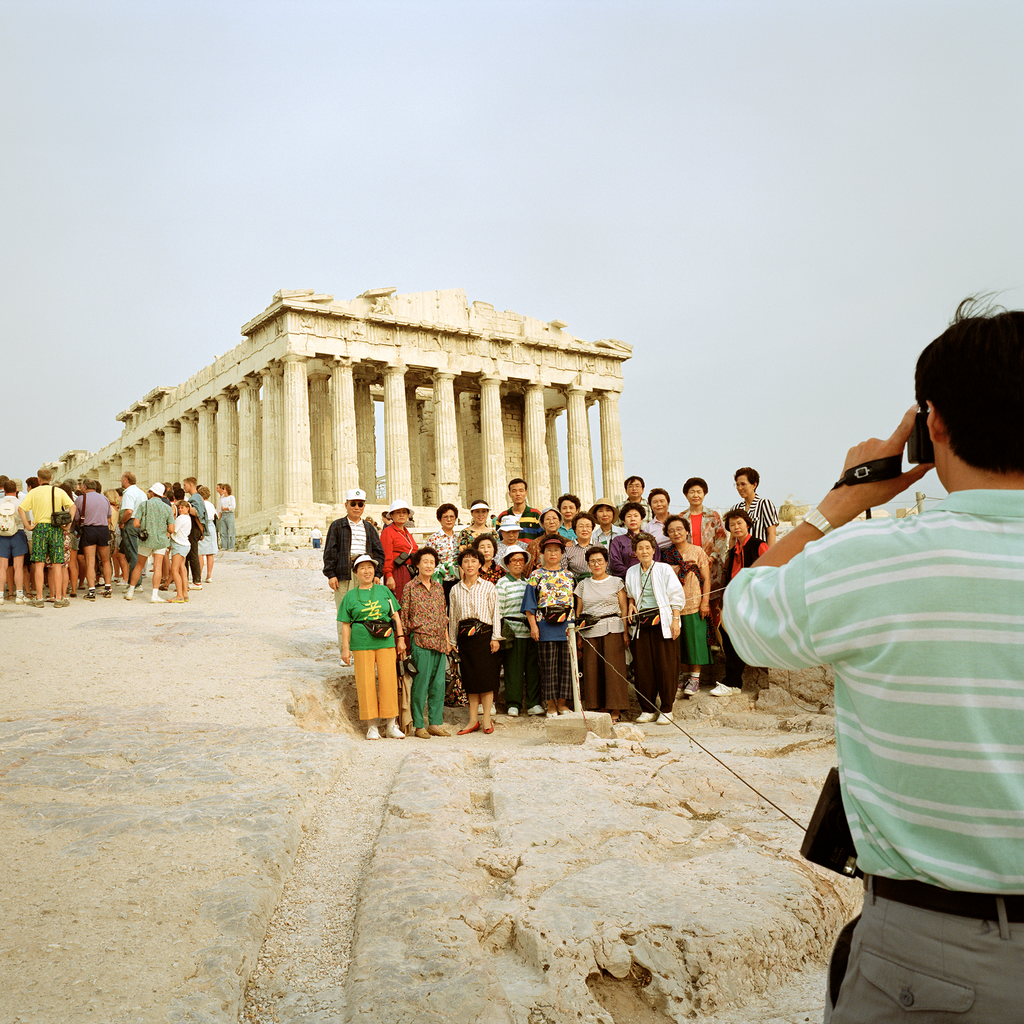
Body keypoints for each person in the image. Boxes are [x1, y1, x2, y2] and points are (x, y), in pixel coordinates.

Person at [722, 300, 1024, 1024]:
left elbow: (745, 612)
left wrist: (840, 502)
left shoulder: (872, 564)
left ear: (932, 425)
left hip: (935, 954)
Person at [338, 553, 407, 741]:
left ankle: (391, 724)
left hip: (385, 640)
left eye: (370, 567)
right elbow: (345, 624)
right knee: (365, 682)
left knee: (388, 681)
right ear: (356, 572)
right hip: (361, 643)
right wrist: (345, 649)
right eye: (362, 568)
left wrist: (400, 639)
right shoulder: (350, 596)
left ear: (374, 570)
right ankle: (371, 726)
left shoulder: (384, 591)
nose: (366, 571)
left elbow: (395, 616)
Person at [625, 532, 684, 723]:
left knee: (666, 665)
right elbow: (630, 594)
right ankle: (647, 709)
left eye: (647, 548)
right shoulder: (631, 571)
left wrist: (675, 621)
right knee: (643, 667)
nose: (644, 551)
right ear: (635, 552)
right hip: (642, 624)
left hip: (664, 623)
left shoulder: (664, 569)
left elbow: (676, 596)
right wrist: (631, 604)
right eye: (640, 548)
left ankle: (667, 708)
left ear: (653, 550)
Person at [323, 488, 385, 656]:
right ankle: (345, 652)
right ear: (346, 505)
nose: (356, 507)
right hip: (344, 572)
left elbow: (379, 552)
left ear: (364, 506)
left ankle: (361, 650)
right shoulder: (337, 525)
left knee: (365, 611)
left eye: (360, 504)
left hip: (365, 573)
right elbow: (330, 550)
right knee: (344, 613)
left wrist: (377, 574)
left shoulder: (369, 528)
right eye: (353, 504)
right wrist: (331, 574)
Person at [448, 547, 501, 735]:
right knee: (470, 679)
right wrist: (452, 641)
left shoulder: (488, 586)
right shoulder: (455, 589)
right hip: (465, 639)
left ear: (480, 563)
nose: (469, 564)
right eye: (466, 561)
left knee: (486, 679)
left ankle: (486, 719)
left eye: (473, 561)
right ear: (460, 565)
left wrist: (495, 638)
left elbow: (496, 614)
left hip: (485, 636)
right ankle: (472, 720)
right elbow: (453, 616)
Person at [400, 547, 452, 739]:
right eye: (425, 562)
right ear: (417, 565)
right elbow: (404, 616)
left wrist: (446, 640)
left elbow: (443, 616)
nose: (429, 565)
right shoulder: (410, 588)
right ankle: (419, 725)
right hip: (420, 640)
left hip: (439, 641)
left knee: (438, 684)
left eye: (432, 562)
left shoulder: (439, 588)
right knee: (420, 684)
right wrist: (403, 642)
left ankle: (435, 724)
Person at [522, 535, 576, 716]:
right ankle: (551, 705)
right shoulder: (536, 575)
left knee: (567, 668)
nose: (553, 553)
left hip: (567, 628)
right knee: (548, 668)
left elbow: (574, 604)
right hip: (544, 626)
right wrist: (533, 626)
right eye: (549, 550)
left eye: (556, 550)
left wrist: (574, 627)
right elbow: (529, 604)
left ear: (562, 553)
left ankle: (562, 704)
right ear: (542, 553)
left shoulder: (569, 576)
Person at [715, 509, 767, 694]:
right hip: (734, 601)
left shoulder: (759, 545)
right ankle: (733, 682)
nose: (736, 527)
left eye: (739, 523)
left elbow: (769, 571)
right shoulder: (732, 551)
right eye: (732, 525)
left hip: (752, 601)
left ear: (747, 524)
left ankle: (732, 682)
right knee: (725, 632)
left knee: (735, 635)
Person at [574, 545, 629, 721]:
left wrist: (626, 633)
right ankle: (598, 708)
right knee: (592, 670)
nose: (596, 564)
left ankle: (616, 709)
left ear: (606, 562)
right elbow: (579, 611)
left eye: (600, 560)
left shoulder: (616, 582)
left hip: (613, 628)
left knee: (613, 670)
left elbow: (623, 608)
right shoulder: (582, 585)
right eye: (592, 561)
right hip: (590, 630)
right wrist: (578, 635)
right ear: (588, 564)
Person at [662, 515, 711, 697]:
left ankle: (695, 678)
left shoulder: (697, 551)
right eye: (671, 530)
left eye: (679, 529)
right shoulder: (666, 555)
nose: (676, 533)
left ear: (687, 531)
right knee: (680, 642)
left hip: (695, 602)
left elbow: (706, 580)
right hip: (674, 606)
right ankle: (684, 676)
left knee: (695, 641)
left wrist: (705, 602)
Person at [18, 468, 75, 608]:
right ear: (50, 478)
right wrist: (68, 524)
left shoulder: (34, 492)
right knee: (57, 564)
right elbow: (72, 507)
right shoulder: (58, 491)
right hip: (56, 528)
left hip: (40, 528)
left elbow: (21, 508)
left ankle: (39, 597)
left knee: (39, 564)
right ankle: (58, 598)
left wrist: (27, 525)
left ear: (38, 479)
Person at [680, 476, 728, 641]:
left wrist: (712, 557)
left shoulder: (713, 515)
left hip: (711, 565)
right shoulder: (681, 517)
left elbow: (722, 538)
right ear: (686, 495)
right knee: (694, 602)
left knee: (712, 602)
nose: (695, 495)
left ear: (704, 494)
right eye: (692, 491)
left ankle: (715, 640)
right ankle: (698, 641)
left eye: (699, 491)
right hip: (690, 567)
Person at [494, 548, 542, 716]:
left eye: (521, 560)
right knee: (513, 670)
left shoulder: (529, 582)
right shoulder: (502, 583)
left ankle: (533, 703)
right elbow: (497, 611)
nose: (518, 563)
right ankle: (513, 703)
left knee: (532, 669)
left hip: (529, 631)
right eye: (514, 560)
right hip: (512, 632)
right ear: (507, 563)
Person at [124, 483, 176, 603]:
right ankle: (154, 594)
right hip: (160, 539)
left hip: (146, 539)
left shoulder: (144, 505)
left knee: (139, 565)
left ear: (152, 493)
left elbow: (135, 524)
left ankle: (131, 591)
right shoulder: (167, 508)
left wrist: (147, 525)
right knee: (157, 566)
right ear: (162, 494)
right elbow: (172, 529)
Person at [74, 479, 113, 600]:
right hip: (103, 529)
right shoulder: (105, 499)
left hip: (89, 529)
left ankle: (91, 591)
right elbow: (109, 518)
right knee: (105, 560)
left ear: (85, 487)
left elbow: (76, 517)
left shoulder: (80, 499)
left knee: (90, 561)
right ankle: (108, 588)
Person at [609, 502, 661, 578]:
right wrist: (634, 575)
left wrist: (646, 574)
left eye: (636, 516)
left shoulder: (650, 539)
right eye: (629, 516)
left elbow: (657, 560)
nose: (632, 519)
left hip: (650, 579)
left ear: (641, 519)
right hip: (627, 580)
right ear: (624, 521)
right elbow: (615, 565)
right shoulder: (618, 541)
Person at [729, 467, 778, 547]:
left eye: (743, 484)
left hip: (759, 555)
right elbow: (732, 538)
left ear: (754, 485)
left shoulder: (764, 504)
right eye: (737, 485)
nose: (740, 488)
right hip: (741, 556)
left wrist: (768, 556)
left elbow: (771, 533)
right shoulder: (736, 508)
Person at [381, 498, 418, 602]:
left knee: (410, 602)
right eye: (398, 512)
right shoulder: (388, 532)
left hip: (410, 571)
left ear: (408, 515)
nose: (401, 515)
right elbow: (386, 556)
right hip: (397, 571)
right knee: (399, 602)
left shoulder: (407, 533)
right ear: (391, 515)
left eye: (404, 512)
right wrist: (389, 576)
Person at [0, 479, 28, 605]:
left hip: (2, 534)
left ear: (4, 490)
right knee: (18, 567)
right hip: (18, 533)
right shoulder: (21, 503)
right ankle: (19, 595)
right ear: (16, 490)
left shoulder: (0, 502)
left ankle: (0, 595)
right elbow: (26, 519)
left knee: (2, 567)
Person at [425, 503, 461, 599]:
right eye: (445, 517)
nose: (449, 520)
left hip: (457, 577)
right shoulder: (433, 538)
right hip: (440, 578)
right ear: (440, 520)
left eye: (452, 517)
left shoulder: (459, 538)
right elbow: (428, 559)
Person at [118, 471, 148, 584]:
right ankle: (133, 581)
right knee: (135, 553)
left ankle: (135, 583)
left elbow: (129, 511)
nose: (121, 481)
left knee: (132, 555)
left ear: (126, 480)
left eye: (122, 479)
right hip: (140, 523)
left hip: (130, 523)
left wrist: (122, 521)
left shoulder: (128, 493)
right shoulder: (142, 493)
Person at [182, 477, 209, 588]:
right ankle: (188, 579)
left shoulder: (195, 497)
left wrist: (185, 506)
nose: (184, 487)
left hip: (194, 530)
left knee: (193, 554)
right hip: (193, 530)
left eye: (185, 485)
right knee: (189, 554)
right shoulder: (196, 497)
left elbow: (198, 513)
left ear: (190, 485)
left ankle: (197, 581)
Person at [525, 507, 564, 572]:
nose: (551, 522)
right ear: (542, 523)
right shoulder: (533, 545)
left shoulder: (567, 542)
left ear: (559, 521)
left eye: (554, 518)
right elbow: (527, 571)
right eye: (548, 519)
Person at [561, 510, 596, 580]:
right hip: (575, 587)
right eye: (581, 526)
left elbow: (607, 571)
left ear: (592, 528)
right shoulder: (567, 549)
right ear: (575, 529)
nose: (585, 529)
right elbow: (563, 573)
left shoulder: (599, 547)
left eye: (588, 526)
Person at [168, 500, 192, 602]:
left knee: (174, 569)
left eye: (182, 508)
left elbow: (173, 529)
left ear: (187, 508)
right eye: (179, 508)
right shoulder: (188, 518)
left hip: (179, 544)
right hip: (185, 544)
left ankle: (179, 595)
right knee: (182, 568)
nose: (180, 509)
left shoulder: (181, 518)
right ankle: (185, 593)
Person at [197, 485, 219, 582]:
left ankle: (199, 575)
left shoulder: (201, 504)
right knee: (210, 553)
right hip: (211, 527)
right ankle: (209, 575)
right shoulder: (211, 505)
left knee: (200, 552)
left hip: (203, 527)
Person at [217, 483, 235, 551]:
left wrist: (226, 508)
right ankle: (224, 546)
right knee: (223, 532)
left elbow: (233, 507)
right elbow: (220, 508)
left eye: (223, 489)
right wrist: (219, 516)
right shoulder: (222, 498)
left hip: (229, 514)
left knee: (231, 531)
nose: (222, 490)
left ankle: (231, 547)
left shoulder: (231, 497)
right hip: (223, 514)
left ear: (227, 489)